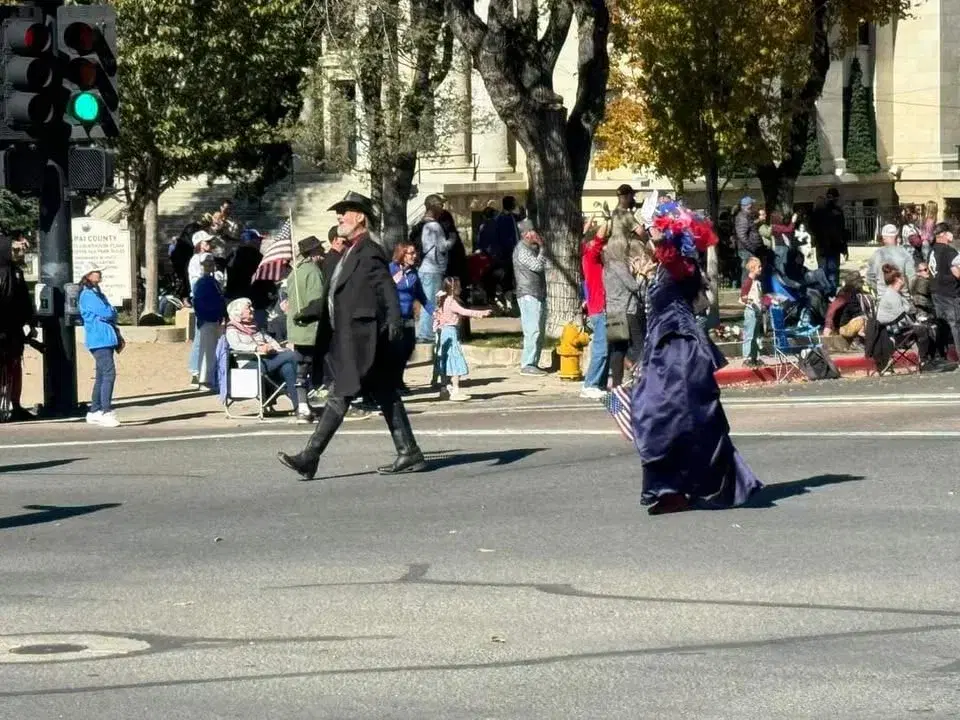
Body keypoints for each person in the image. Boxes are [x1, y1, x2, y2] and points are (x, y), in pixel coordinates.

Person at [277, 191, 426, 480]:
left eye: (344, 212)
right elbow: (334, 294)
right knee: (384, 392)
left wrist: (395, 320)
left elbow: (386, 288)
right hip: (347, 337)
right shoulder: (346, 253)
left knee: (339, 394)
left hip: (362, 337)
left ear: (359, 217)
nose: (339, 217)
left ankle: (310, 456)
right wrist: (310, 311)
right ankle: (409, 451)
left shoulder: (369, 251)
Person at [629, 201, 763, 515]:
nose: (652, 232)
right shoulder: (663, 266)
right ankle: (673, 488)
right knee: (663, 416)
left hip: (680, 351)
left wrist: (661, 237)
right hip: (662, 349)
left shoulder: (682, 264)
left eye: (658, 227)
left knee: (668, 416)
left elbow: (673, 260)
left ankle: (677, 489)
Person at [224, 298, 302, 420]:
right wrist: (257, 348)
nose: (252, 309)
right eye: (248, 308)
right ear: (238, 312)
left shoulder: (253, 326)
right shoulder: (232, 329)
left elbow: (268, 339)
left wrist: (277, 348)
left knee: (287, 367)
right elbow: (236, 346)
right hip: (250, 364)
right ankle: (301, 391)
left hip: (267, 360)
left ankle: (299, 407)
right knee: (292, 355)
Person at [285, 235, 326, 422]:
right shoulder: (313, 271)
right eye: (320, 249)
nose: (323, 252)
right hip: (312, 327)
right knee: (313, 366)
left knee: (301, 368)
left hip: (296, 329)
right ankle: (321, 403)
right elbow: (317, 303)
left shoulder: (295, 272)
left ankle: (302, 407)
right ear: (313, 253)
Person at [78, 262, 124, 428]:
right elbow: (107, 312)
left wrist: (110, 312)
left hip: (104, 338)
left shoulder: (96, 293)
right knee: (109, 374)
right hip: (99, 339)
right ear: (88, 275)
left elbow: (111, 312)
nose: (99, 274)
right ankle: (106, 410)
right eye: (96, 271)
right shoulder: (88, 295)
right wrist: (110, 312)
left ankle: (95, 410)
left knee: (101, 376)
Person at [432, 277, 492, 401]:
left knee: (446, 361)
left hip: (443, 332)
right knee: (455, 361)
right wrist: (481, 313)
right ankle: (456, 390)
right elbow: (464, 311)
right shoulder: (451, 301)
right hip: (451, 332)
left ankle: (446, 388)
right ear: (453, 288)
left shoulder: (441, 300)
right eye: (459, 286)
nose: (461, 288)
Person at [0, 234, 36, 421]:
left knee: (14, 367)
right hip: (3, 330)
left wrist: (30, 321)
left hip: (13, 331)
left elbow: (23, 301)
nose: (19, 253)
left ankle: (15, 404)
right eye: (15, 250)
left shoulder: (16, 273)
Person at [390, 241, 433, 391]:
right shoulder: (391, 269)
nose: (414, 256)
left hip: (408, 317)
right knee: (396, 351)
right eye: (411, 253)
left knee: (408, 348)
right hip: (394, 317)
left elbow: (421, 296)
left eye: (415, 253)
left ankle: (398, 379)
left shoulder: (413, 273)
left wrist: (435, 312)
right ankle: (394, 383)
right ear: (402, 254)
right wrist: (392, 281)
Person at [603, 237, 643, 387]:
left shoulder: (607, 267)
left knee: (618, 349)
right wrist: (639, 273)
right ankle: (638, 376)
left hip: (613, 312)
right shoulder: (619, 265)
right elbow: (633, 286)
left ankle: (617, 384)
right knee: (639, 345)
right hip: (627, 311)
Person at [513, 219, 549, 376]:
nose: (536, 234)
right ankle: (527, 363)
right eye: (533, 231)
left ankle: (534, 362)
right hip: (528, 293)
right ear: (525, 234)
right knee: (532, 330)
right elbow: (537, 266)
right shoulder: (522, 250)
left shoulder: (531, 248)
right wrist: (542, 248)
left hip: (537, 292)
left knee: (539, 330)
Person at [415, 194, 453, 344]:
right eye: (441, 205)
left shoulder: (421, 224)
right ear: (433, 206)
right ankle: (426, 334)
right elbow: (442, 246)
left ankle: (425, 332)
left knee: (427, 300)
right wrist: (452, 239)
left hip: (424, 268)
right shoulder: (435, 226)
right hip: (433, 269)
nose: (443, 208)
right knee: (430, 302)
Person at [581, 219, 609, 398]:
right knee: (601, 348)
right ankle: (590, 383)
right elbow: (598, 239)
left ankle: (599, 383)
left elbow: (588, 237)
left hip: (600, 308)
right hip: (599, 309)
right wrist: (609, 220)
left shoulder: (589, 255)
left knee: (606, 348)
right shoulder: (591, 256)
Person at [192, 253, 225, 389]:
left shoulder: (214, 282)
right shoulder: (201, 283)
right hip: (207, 320)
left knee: (213, 350)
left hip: (215, 319)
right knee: (206, 350)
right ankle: (203, 379)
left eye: (211, 264)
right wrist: (205, 317)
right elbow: (198, 303)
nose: (209, 266)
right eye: (207, 264)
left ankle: (211, 377)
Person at [928, 222, 960, 353]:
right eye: (950, 232)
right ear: (944, 234)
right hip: (950, 294)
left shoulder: (932, 250)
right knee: (956, 325)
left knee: (942, 324)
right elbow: (957, 273)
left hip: (936, 292)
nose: (952, 235)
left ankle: (941, 354)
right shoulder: (949, 251)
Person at [810, 187, 848, 294]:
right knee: (832, 272)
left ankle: (825, 293)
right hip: (832, 246)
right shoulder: (836, 212)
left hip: (824, 246)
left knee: (824, 271)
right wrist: (844, 248)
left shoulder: (819, 211)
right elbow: (842, 231)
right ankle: (830, 293)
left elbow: (812, 227)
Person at [867, 224, 915, 294]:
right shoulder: (905, 254)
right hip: (902, 298)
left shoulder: (877, 255)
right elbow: (912, 278)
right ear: (896, 237)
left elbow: (870, 278)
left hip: (883, 298)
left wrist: (879, 290)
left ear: (883, 238)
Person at [739, 256, 764, 367]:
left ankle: (754, 357)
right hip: (750, 311)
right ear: (752, 268)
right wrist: (747, 300)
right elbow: (743, 296)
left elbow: (760, 297)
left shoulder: (757, 282)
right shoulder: (748, 281)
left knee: (756, 335)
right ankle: (747, 358)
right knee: (749, 335)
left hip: (757, 311)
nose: (760, 268)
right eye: (759, 267)